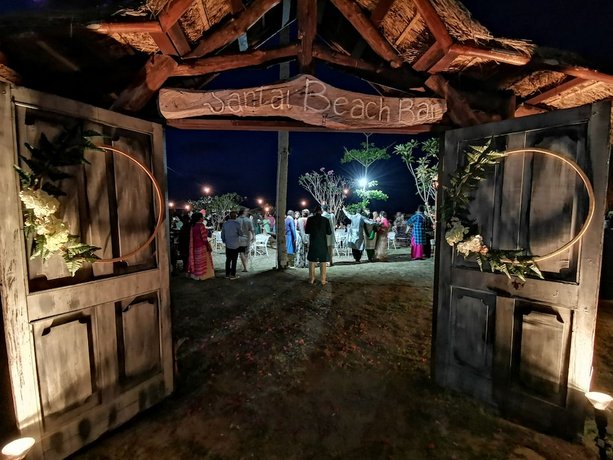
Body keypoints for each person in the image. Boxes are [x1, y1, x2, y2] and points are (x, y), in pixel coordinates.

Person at [305, 205, 332, 285]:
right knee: (323, 261)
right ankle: (323, 280)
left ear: (314, 212)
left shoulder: (310, 219)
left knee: (312, 260)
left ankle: (311, 279)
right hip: (322, 242)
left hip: (313, 242)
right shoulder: (325, 220)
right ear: (321, 211)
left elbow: (307, 231)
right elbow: (329, 232)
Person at [186, 212, 215, 280]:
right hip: (202, 246)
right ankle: (202, 276)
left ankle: (196, 275)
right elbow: (204, 238)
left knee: (196, 261)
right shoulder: (201, 225)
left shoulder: (193, 226)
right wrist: (207, 245)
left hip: (194, 246)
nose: (203, 218)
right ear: (199, 218)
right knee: (203, 261)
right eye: (202, 217)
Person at [221, 210, 243, 279]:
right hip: (235, 245)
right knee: (234, 260)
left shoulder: (225, 224)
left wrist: (224, 241)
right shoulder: (237, 224)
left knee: (228, 259)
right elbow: (241, 233)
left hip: (228, 244)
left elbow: (222, 234)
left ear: (230, 216)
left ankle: (227, 274)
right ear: (235, 216)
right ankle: (233, 275)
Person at [236, 208, 255, 272]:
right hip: (247, 238)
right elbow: (252, 230)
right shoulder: (248, 220)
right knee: (246, 252)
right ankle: (245, 267)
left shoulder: (237, 220)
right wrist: (254, 237)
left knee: (241, 252)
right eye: (246, 211)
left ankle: (245, 267)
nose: (247, 212)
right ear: (243, 212)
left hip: (239, 238)